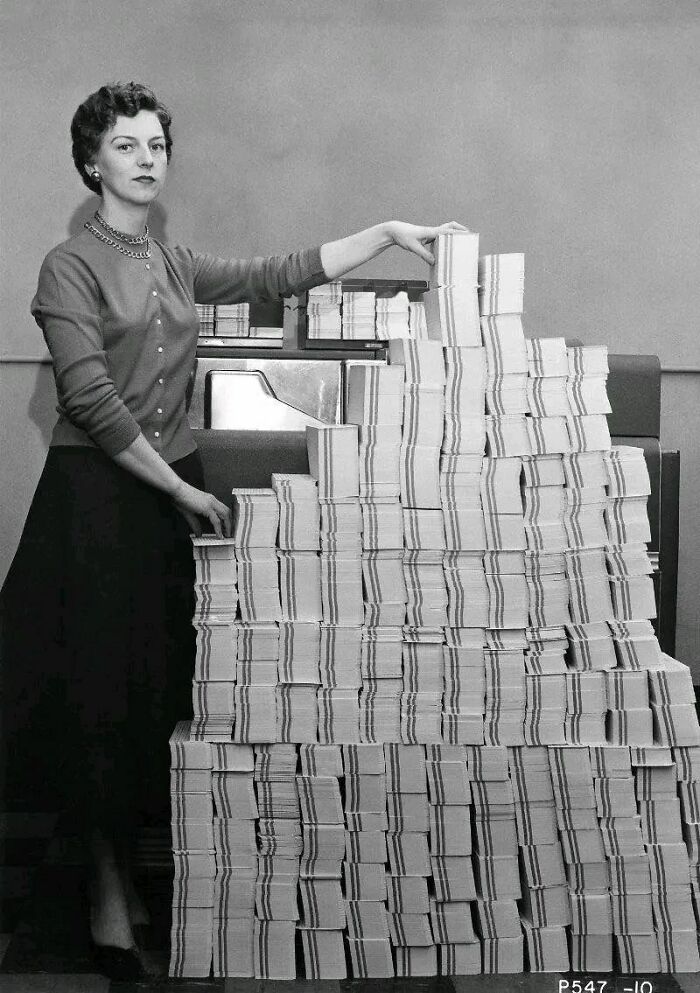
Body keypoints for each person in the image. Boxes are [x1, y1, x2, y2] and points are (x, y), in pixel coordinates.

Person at [1, 80, 467, 979]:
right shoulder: (68, 267)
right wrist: (175, 490)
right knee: (96, 701)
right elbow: (92, 402)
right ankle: (103, 899)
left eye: (156, 145)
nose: (147, 158)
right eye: (128, 145)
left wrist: (387, 233)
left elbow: (271, 275)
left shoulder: (168, 263)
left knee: (151, 693)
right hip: (97, 502)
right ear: (91, 161)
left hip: (165, 492)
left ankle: (130, 882)